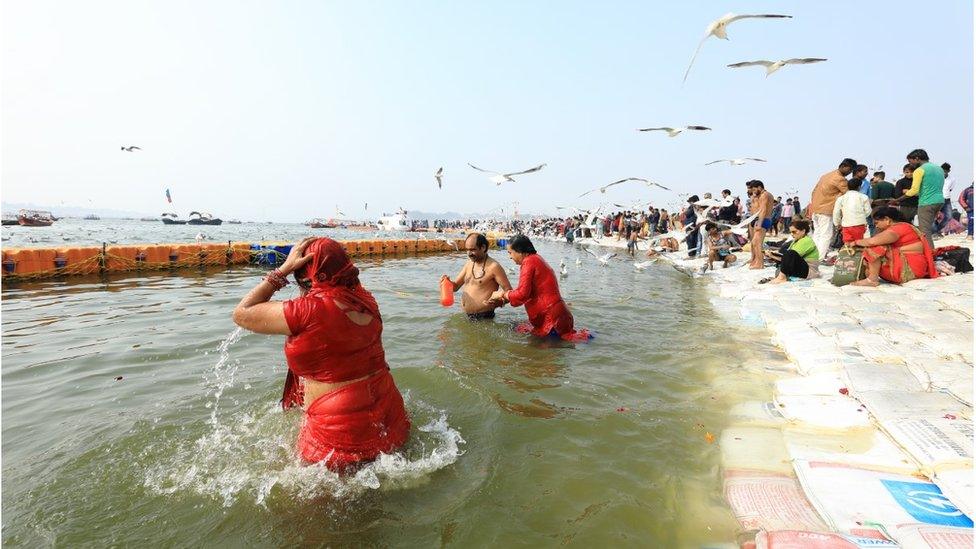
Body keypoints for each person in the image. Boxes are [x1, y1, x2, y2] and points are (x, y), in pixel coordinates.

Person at [232, 237, 410, 470]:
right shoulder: (365, 300)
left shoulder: (308, 310)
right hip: (389, 415)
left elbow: (242, 313)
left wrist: (282, 270)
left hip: (338, 431)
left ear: (306, 273)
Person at [487, 235, 580, 340]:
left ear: (520, 251)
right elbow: (526, 294)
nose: (510, 257)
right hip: (556, 314)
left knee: (543, 354)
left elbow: (522, 294)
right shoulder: (536, 259)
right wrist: (503, 299)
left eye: (510, 253)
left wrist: (502, 294)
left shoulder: (528, 262)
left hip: (551, 319)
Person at [850, 207, 937, 286]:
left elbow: (872, 242)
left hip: (909, 270)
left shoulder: (897, 229)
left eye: (877, 222)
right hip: (917, 269)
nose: (876, 226)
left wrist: (856, 242)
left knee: (875, 247)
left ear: (887, 219)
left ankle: (872, 279)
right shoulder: (905, 226)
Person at [442, 233, 512, 320]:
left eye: (472, 250)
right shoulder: (468, 264)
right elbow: (455, 287)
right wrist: (447, 283)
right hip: (466, 316)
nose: (469, 253)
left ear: (483, 247)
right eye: (467, 250)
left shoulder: (494, 267)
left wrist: (498, 303)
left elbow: (509, 292)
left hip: (485, 318)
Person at [896, 149, 944, 248]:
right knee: (927, 228)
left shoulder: (919, 170)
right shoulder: (939, 168)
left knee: (924, 231)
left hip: (927, 202)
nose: (910, 164)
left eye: (910, 161)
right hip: (939, 201)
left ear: (917, 159)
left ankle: (930, 254)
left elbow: (914, 190)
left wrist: (898, 200)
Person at [810, 158, 857, 257]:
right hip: (826, 210)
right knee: (826, 235)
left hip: (816, 208)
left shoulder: (825, 175)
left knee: (817, 234)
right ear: (843, 166)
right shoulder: (840, 179)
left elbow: (813, 191)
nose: (850, 173)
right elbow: (849, 194)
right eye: (850, 170)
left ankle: (812, 256)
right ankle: (819, 258)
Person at [832, 178, 873, 243]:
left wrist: (837, 224)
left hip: (846, 226)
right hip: (860, 225)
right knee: (860, 244)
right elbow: (868, 211)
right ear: (859, 187)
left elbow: (836, 212)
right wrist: (861, 216)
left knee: (848, 246)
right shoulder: (864, 197)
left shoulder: (841, 198)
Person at [747, 180, 774, 269]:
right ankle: (757, 262)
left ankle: (760, 264)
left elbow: (763, 210)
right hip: (761, 219)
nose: (753, 192)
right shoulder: (763, 195)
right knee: (755, 242)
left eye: (754, 189)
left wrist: (759, 223)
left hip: (763, 220)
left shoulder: (765, 195)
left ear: (759, 187)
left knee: (757, 243)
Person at [937, 163, 956, 233]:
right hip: (936, 199)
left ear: (948, 171)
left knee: (949, 216)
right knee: (934, 216)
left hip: (946, 199)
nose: (943, 173)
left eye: (945, 171)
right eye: (942, 171)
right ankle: (934, 232)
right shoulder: (936, 178)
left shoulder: (952, 179)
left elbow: (950, 189)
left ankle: (937, 230)